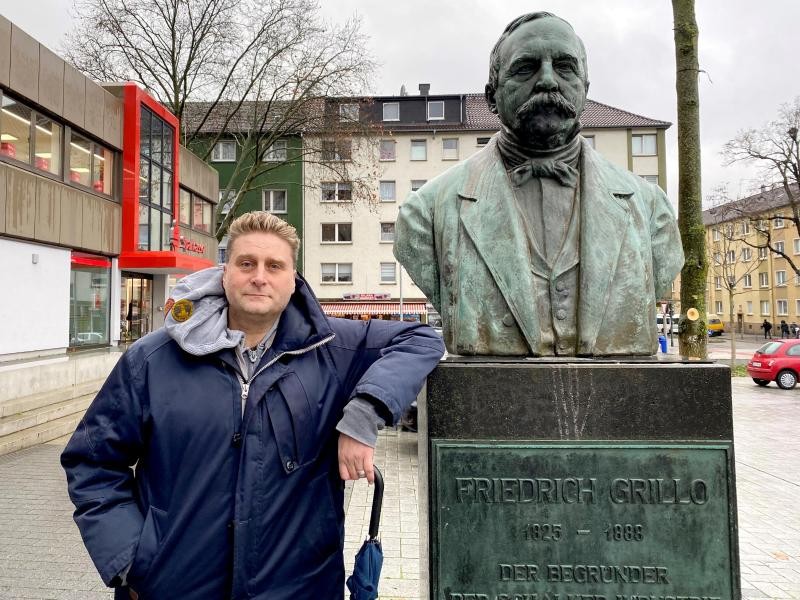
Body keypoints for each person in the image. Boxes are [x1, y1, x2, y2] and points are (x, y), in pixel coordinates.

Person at [61, 212, 444, 599]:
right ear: (224, 273)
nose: (259, 276)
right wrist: (131, 561)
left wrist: (362, 415)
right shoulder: (154, 359)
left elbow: (421, 339)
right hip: (172, 586)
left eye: (274, 266)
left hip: (299, 586)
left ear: (293, 280)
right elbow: (92, 461)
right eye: (246, 264)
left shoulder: (332, 349)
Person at [394, 12, 683, 357]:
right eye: (525, 68)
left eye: (564, 67)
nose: (547, 80)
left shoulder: (651, 210)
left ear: (584, 90)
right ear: (491, 97)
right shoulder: (424, 213)